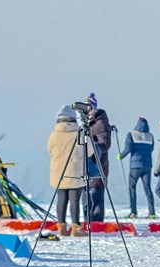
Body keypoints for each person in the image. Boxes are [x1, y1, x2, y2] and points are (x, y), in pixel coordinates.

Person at [48, 105, 87, 237]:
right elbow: (90, 151)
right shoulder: (79, 134)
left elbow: (50, 150)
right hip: (75, 171)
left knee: (61, 199)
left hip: (58, 171)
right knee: (74, 200)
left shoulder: (54, 134)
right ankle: (76, 228)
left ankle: (61, 227)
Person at [80, 94, 112, 224]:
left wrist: (91, 146)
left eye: (89, 108)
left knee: (96, 195)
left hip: (98, 165)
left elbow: (105, 144)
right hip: (86, 166)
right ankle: (87, 220)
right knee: (86, 195)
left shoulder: (101, 123)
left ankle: (97, 222)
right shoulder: (87, 124)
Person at [119, 117, 156, 218]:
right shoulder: (150, 136)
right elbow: (151, 149)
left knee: (132, 188)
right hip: (147, 166)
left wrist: (120, 156)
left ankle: (133, 212)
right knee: (148, 188)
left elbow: (128, 149)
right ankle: (152, 212)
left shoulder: (131, 134)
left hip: (135, 166)